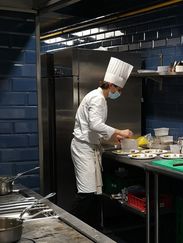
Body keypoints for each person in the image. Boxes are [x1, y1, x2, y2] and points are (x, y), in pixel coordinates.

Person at [70, 57, 134, 226]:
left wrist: (114, 137)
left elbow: (95, 128)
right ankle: (67, 227)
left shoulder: (99, 97)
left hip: (88, 147)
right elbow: (95, 124)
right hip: (84, 148)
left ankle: (90, 230)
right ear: (111, 85)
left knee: (92, 194)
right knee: (86, 194)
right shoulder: (97, 98)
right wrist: (120, 131)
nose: (119, 92)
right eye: (119, 89)